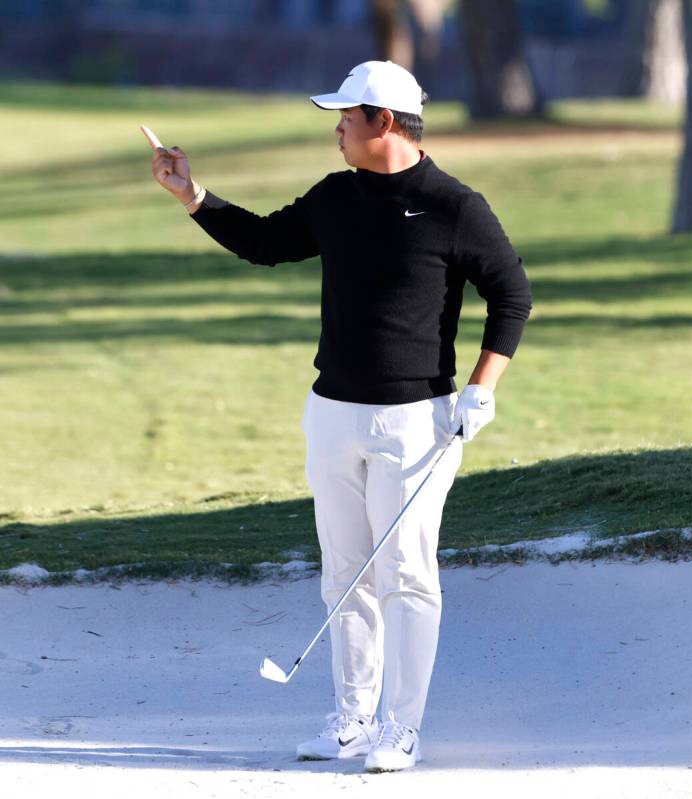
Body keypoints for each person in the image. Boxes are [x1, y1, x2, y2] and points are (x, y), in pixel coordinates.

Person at [145, 59, 532, 773]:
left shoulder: (453, 205)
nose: (337, 133)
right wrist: (192, 195)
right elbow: (265, 242)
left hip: (416, 421)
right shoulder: (337, 196)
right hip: (332, 413)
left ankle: (401, 727)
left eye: (345, 121)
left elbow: (511, 296)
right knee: (345, 573)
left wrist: (481, 387)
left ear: (383, 123)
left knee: (406, 575)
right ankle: (352, 717)